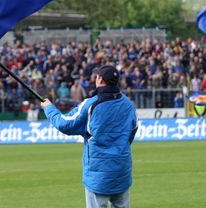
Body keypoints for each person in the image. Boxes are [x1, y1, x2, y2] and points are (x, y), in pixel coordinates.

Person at [42, 65, 137, 208]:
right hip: (121, 171)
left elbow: (65, 124)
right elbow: (132, 132)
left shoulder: (91, 104)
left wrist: (49, 109)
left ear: (99, 79)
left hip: (98, 174)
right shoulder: (128, 104)